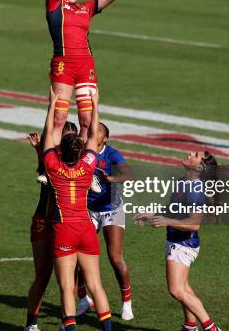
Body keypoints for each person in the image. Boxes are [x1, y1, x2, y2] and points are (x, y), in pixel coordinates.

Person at [42, 88, 112, 331]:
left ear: (61, 150)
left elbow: (50, 133)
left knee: (66, 288)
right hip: (86, 229)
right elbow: (93, 134)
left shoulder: (52, 165)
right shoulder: (88, 166)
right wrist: (94, 104)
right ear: (81, 151)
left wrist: (53, 104)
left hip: (64, 230)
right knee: (96, 285)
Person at [135, 151, 222, 331]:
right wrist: (151, 215)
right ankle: (191, 326)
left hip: (183, 244)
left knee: (176, 290)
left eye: (196, 155)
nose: (190, 153)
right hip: (177, 241)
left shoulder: (195, 190)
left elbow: (194, 224)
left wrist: (167, 222)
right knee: (184, 288)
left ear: (199, 167)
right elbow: (172, 209)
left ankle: (212, 328)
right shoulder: (183, 182)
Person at [45, 0, 118, 143]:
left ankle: (84, 166)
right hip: (63, 64)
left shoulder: (85, 8)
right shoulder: (54, 3)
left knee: (87, 120)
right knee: (59, 118)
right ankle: (50, 166)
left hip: (86, 66)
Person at [76, 122, 135, 321]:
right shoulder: (83, 152)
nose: (95, 131)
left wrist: (111, 179)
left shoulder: (111, 154)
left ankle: (126, 301)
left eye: (100, 130)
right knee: (79, 258)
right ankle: (83, 299)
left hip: (111, 208)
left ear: (105, 138)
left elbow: (128, 175)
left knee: (115, 258)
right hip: (89, 210)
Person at [24, 122, 78, 331]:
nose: (71, 141)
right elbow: (44, 167)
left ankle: (67, 323)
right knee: (43, 275)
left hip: (67, 225)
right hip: (44, 221)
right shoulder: (52, 160)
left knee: (69, 278)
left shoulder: (81, 163)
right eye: (66, 138)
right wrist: (39, 150)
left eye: (73, 138)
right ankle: (31, 324)